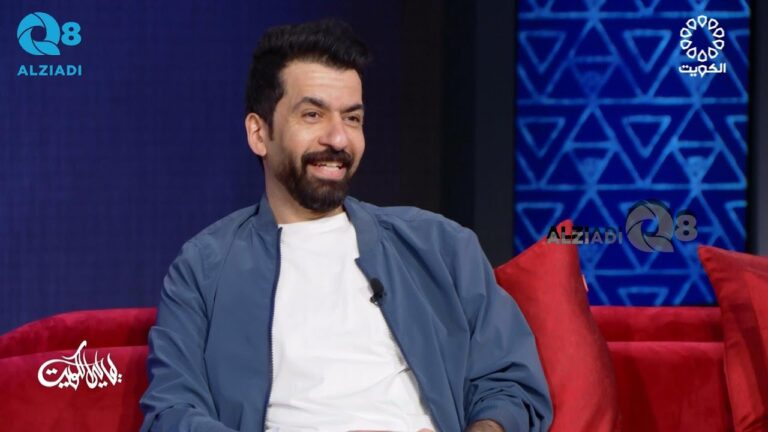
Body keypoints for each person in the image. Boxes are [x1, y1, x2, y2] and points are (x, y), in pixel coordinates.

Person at [139, 19, 552, 432]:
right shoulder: (204, 269)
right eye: (313, 115)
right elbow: (171, 413)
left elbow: (509, 383)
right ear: (259, 134)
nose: (338, 139)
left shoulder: (440, 246)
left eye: (352, 118)